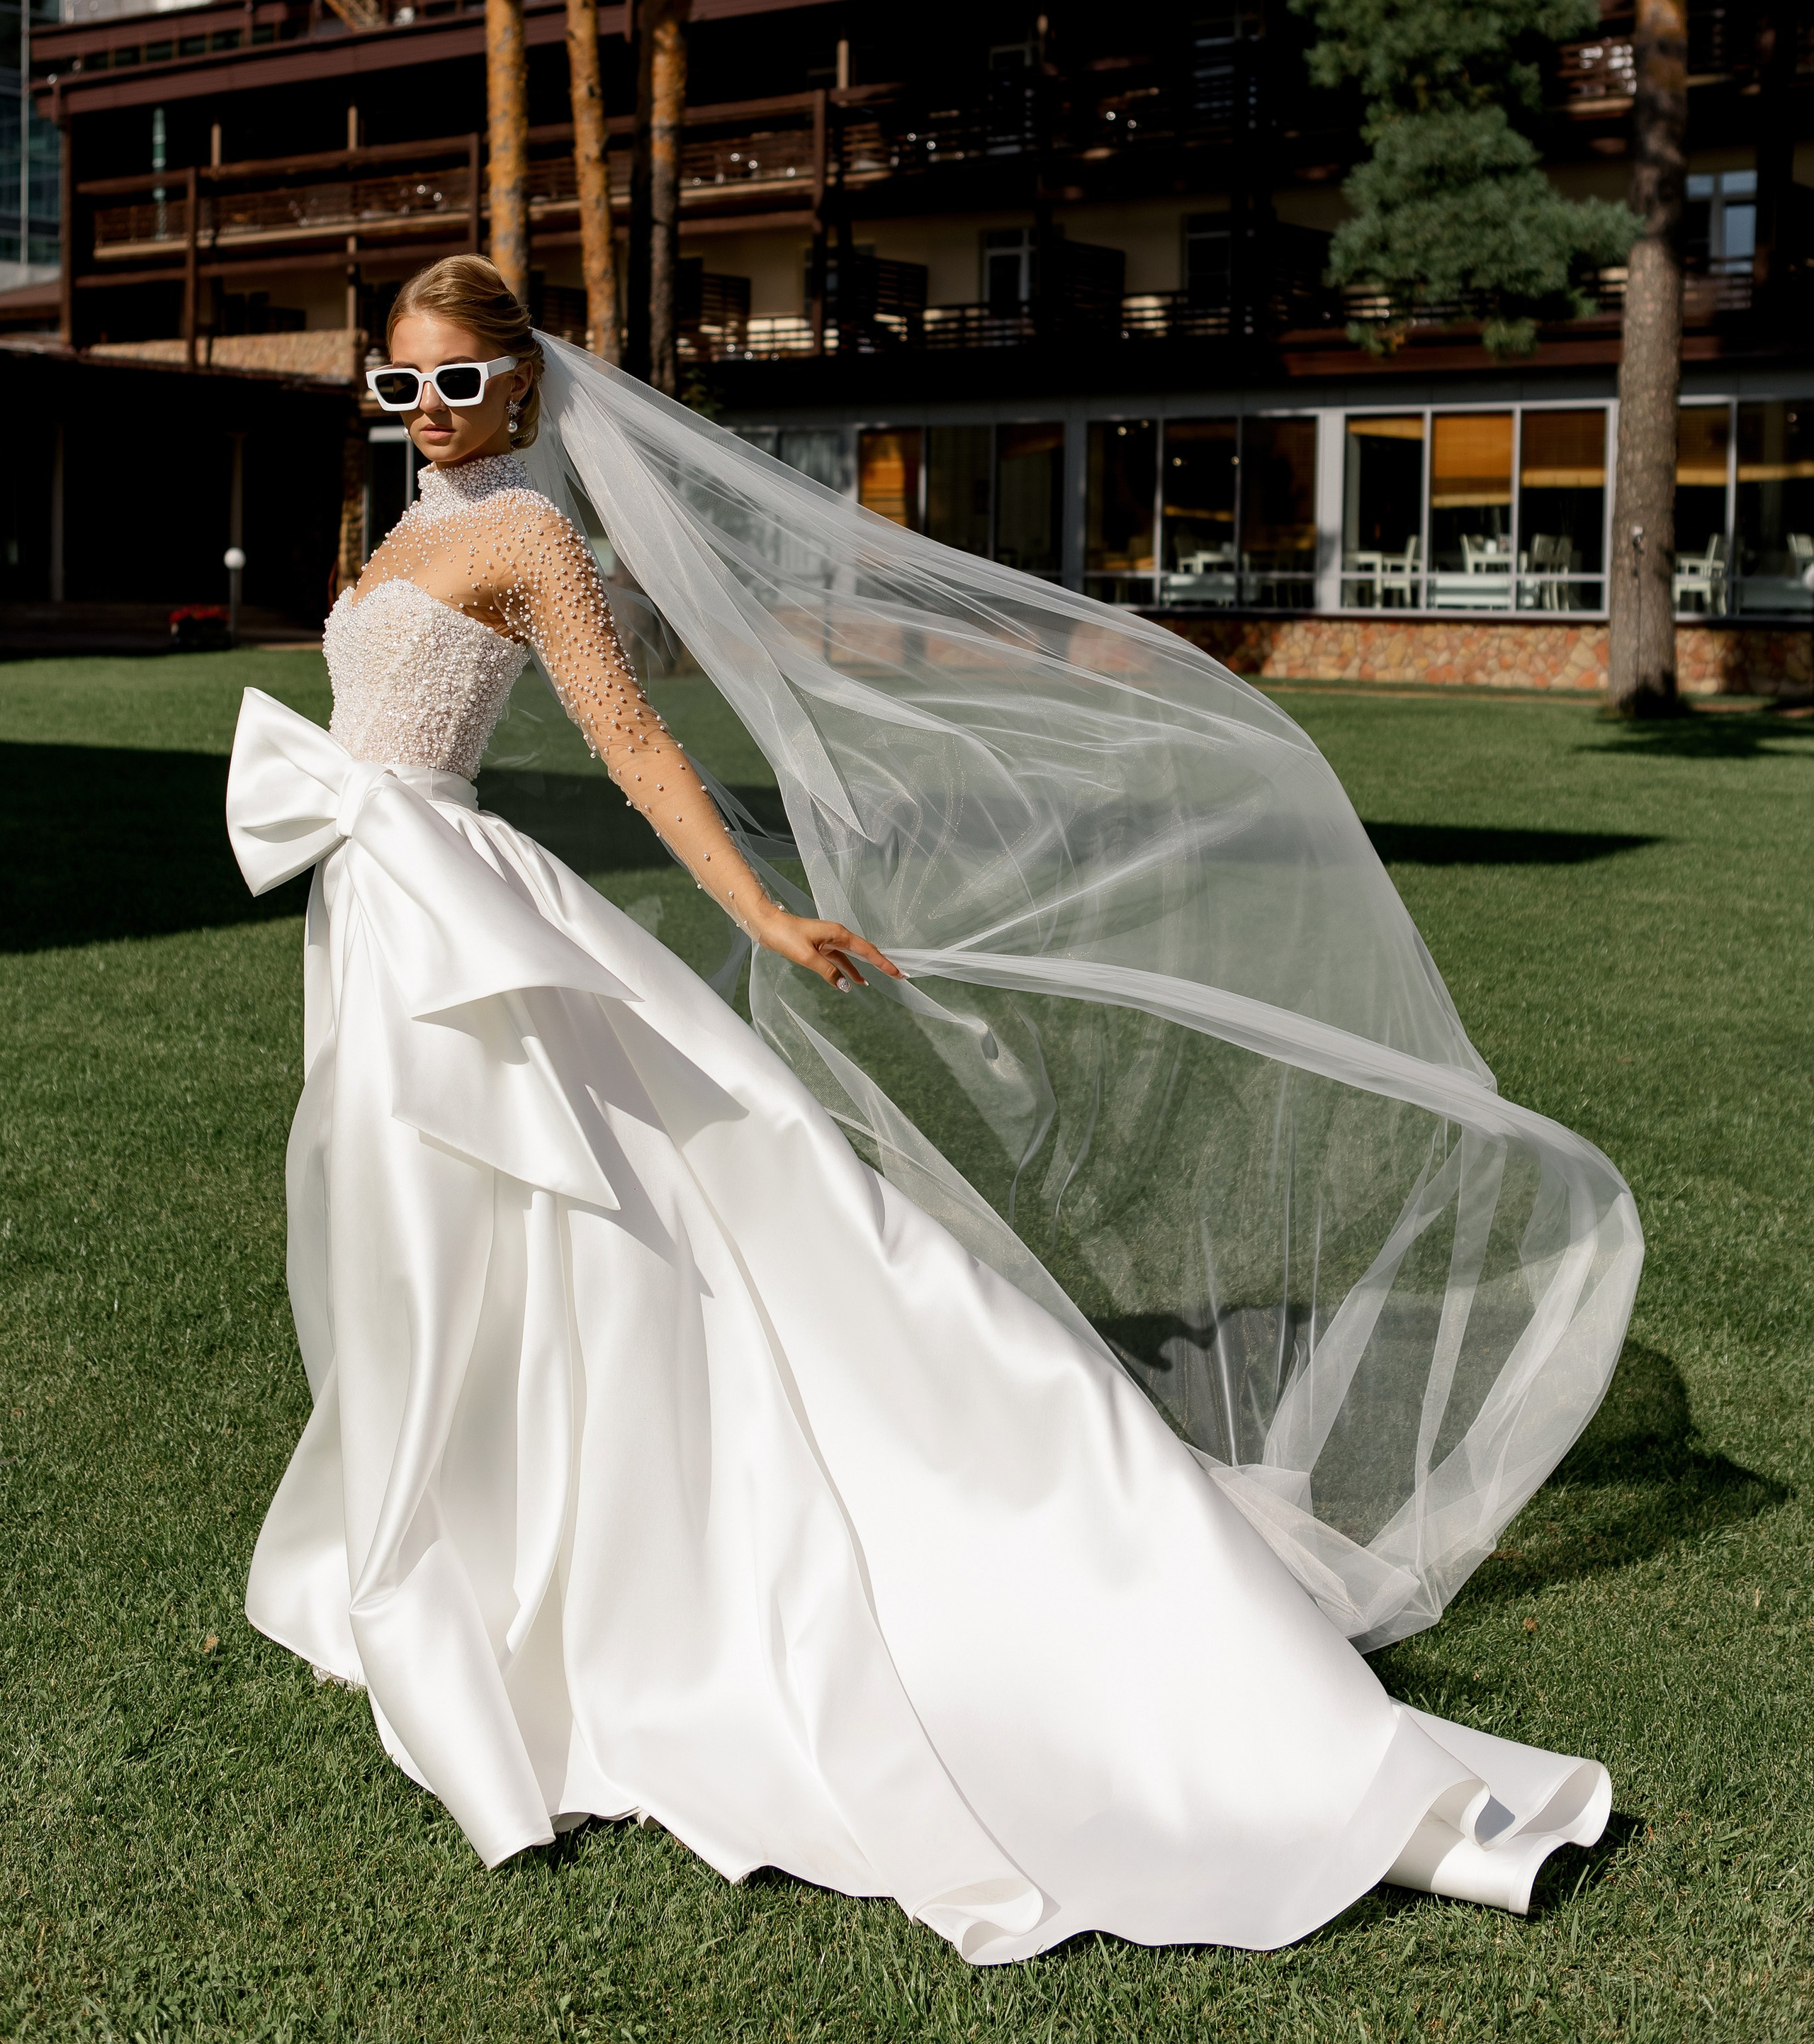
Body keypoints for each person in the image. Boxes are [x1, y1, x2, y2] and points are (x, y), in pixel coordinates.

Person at [225, 254, 1630, 1961]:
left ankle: (620, 1601)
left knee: (559, 1228)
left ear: (526, 387)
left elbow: (636, 747)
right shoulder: (399, 532)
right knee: (415, 1228)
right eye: (401, 386)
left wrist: (756, 913)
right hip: (377, 913)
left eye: (460, 383)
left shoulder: (527, 541)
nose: (431, 413)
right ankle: (456, 1550)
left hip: (451, 909)